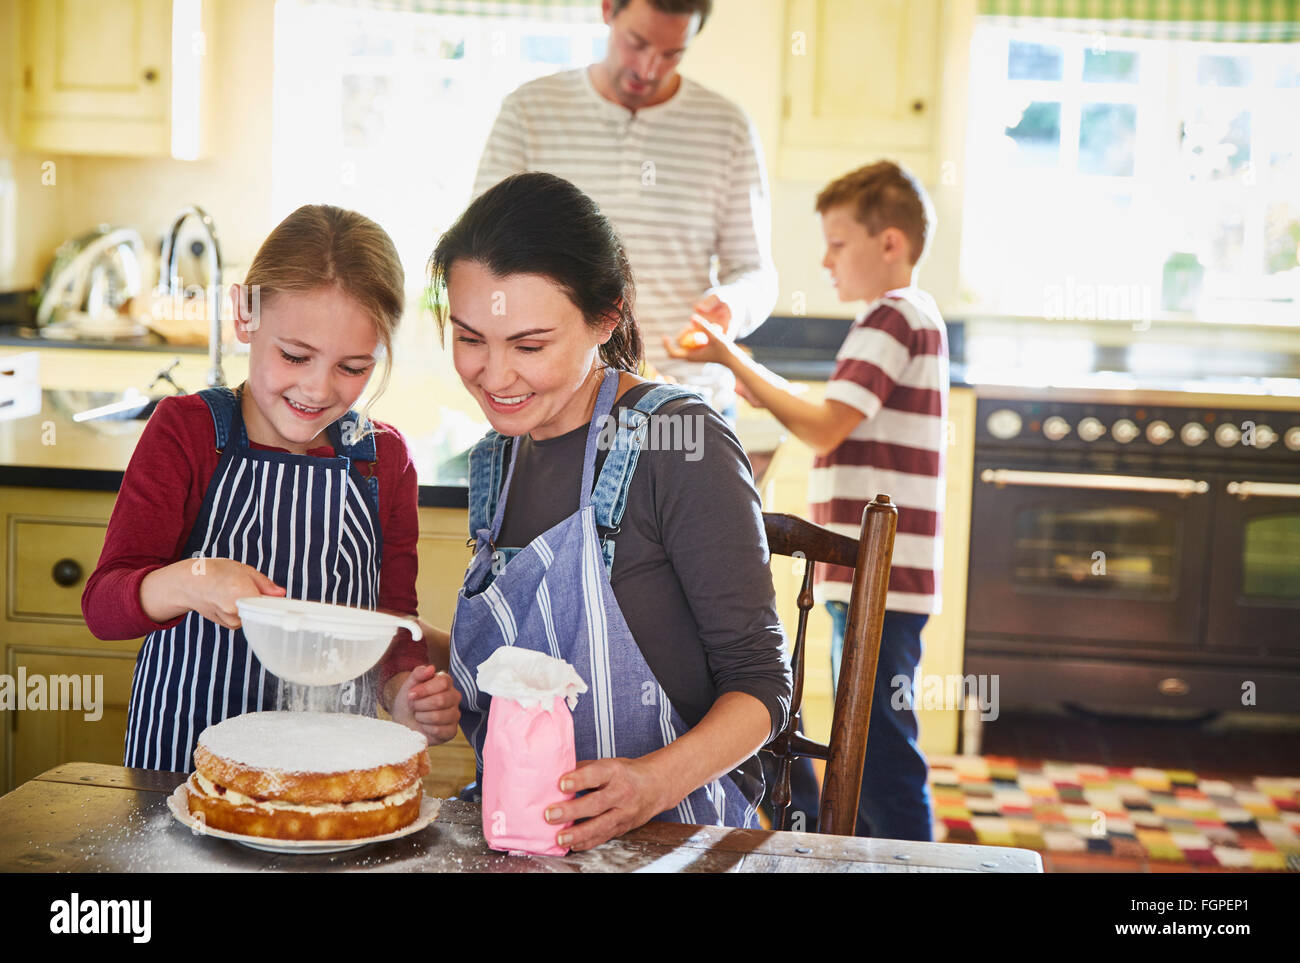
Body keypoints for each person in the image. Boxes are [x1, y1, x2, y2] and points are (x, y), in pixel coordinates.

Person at [425, 171, 792, 852]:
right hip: (522, 835)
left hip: (677, 836)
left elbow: (764, 687)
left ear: (607, 317)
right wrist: (423, 661)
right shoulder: (494, 461)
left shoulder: (677, 442)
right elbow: (532, 670)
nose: (495, 376)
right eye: (471, 338)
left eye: (530, 345)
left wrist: (651, 783)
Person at [82, 204, 461, 772]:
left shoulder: (385, 460)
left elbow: (390, 617)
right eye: (294, 356)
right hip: (184, 765)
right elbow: (104, 608)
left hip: (331, 769)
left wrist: (404, 691)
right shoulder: (186, 433)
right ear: (244, 315)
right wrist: (190, 579)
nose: (317, 388)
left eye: (353, 367)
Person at [665, 161, 947, 841]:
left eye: (838, 243)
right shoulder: (905, 317)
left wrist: (730, 359)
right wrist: (747, 371)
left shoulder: (891, 316)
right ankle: (850, 850)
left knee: (880, 756)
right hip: (880, 580)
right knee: (873, 742)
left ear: (891, 244)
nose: (825, 260)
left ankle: (909, 862)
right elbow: (829, 410)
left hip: (883, 579)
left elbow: (824, 424)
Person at [471, 0, 777, 418]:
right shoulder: (528, 111)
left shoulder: (728, 129)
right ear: (608, 10)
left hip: (685, 403)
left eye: (672, 54)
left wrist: (731, 305)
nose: (648, 69)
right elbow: (482, 255)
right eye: (637, 43)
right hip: (558, 402)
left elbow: (755, 272)